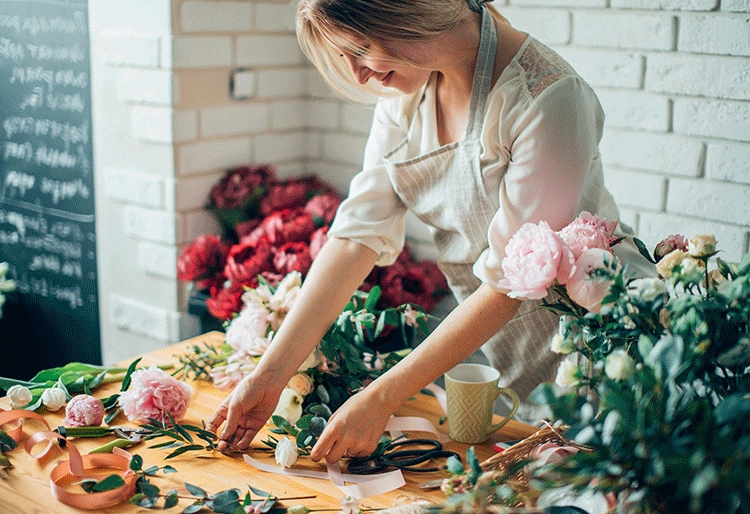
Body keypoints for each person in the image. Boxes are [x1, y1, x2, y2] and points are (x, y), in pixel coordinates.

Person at [207, 0, 653, 462]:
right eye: (345, 56)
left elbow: (508, 285)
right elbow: (355, 237)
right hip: (512, 350)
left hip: (601, 343)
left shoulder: (548, 98)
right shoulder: (405, 97)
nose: (358, 74)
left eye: (361, 48)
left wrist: (382, 397)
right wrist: (270, 374)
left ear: (405, 11)